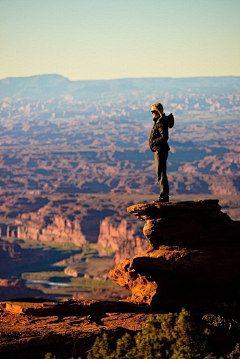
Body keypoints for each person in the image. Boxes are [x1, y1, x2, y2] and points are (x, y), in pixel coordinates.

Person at [149, 102, 174, 202]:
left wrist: (154, 142)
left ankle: (164, 196)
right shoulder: (158, 122)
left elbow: (164, 137)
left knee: (161, 173)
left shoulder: (161, 123)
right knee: (161, 172)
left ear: (158, 111)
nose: (152, 113)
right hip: (159, 150)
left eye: (153, 111)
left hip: (160, 150)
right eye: (151, 112)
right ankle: (163, 195)